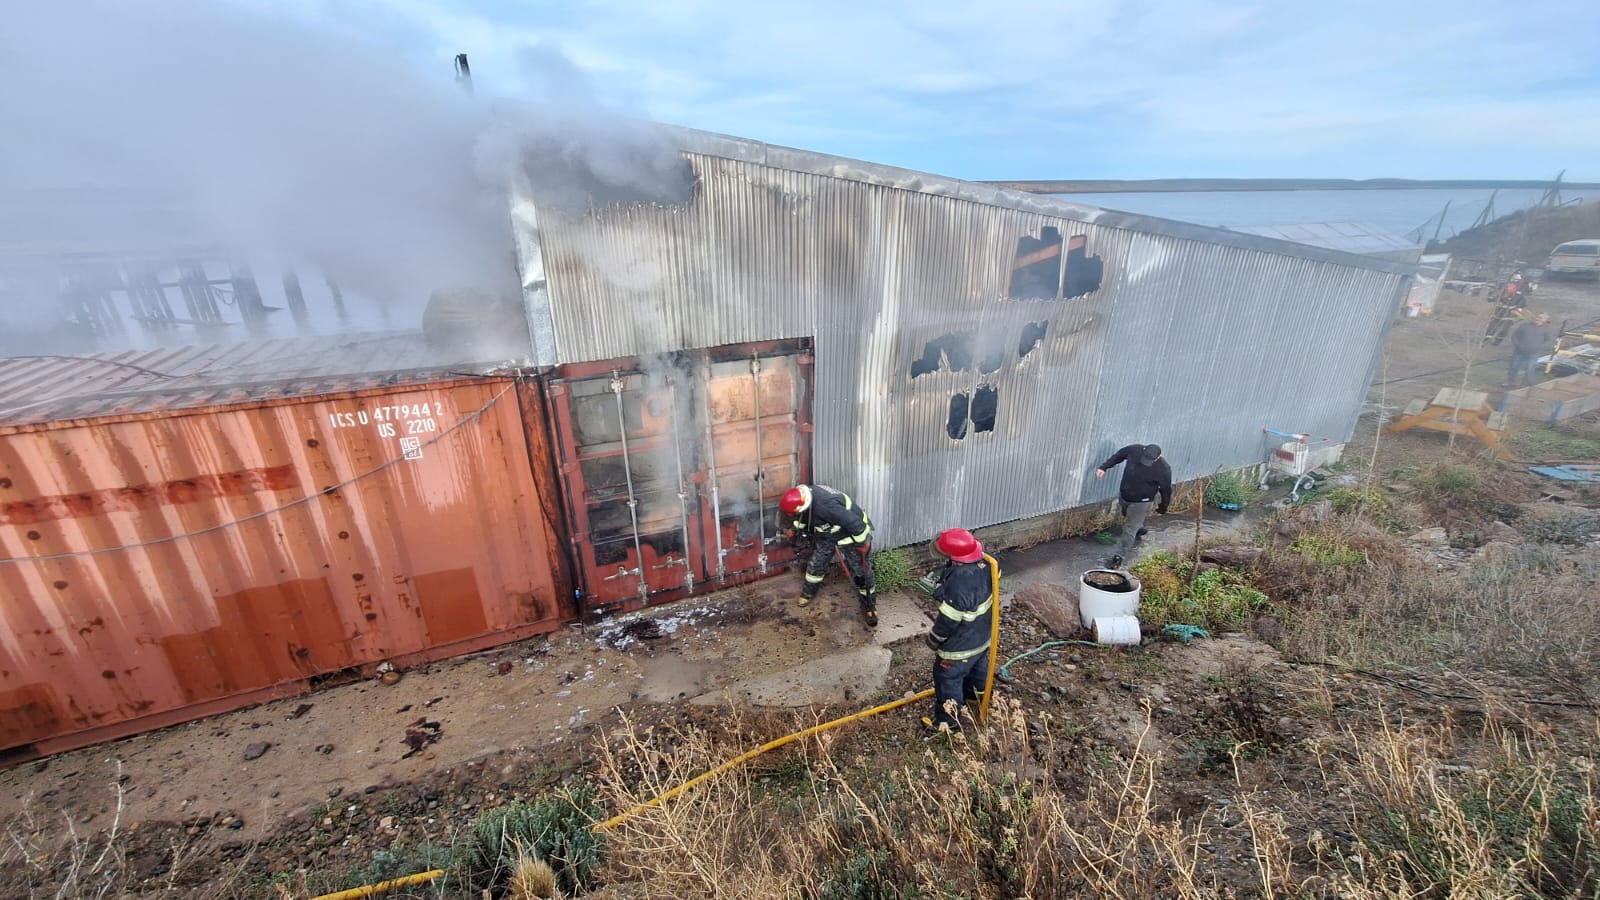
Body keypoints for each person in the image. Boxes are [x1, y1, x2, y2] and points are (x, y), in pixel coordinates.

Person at [922, 528, 996, 733]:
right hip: (982, 638)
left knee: (948, 680)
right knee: (979, 670)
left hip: (958, 649)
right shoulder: (989, 565)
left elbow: (948, 621)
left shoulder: (957, 585)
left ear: (954, 559)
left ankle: (948, 722)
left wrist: (934, 639)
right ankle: (978, 699)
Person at [780, 483, 877, 625]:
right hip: (827, 533)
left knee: (860, 571)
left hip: (850, 533)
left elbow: (857, 526)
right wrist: (792, 529)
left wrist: (863, 544)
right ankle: (808, 594)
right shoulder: (803, 498)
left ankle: (869, 605)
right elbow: (799, 517)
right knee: (817, 563)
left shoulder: (827, 506)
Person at [1094, 443, 1173, 569]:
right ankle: (1139, 528)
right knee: (1127, 515)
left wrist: (1163, 507)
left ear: (1158, 457)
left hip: (1142, 502)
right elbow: (1119, 455)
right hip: (1125, 495)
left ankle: (1118, 557)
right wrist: (1104, 467)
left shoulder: (1163, 469)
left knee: (1129, 529)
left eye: (1149, 461)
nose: (1145, 462)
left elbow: (1166, 490)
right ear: (1143, 450)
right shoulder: (1134, 450)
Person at [1506, 313, 1555, 388]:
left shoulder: (1547, 329)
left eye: (1541, 317)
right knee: (1513, 366)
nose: (1538, 318)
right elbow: (1515, 335)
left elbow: (1549, 341)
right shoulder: (1525, 326)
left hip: (1533, 353)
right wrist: (1517, 345)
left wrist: (1539, 348)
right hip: (1519, 351)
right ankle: (1511, 382)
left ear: (1545, 320)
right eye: (1537, 316)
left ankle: (1526, 384)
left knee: (1530, 368)